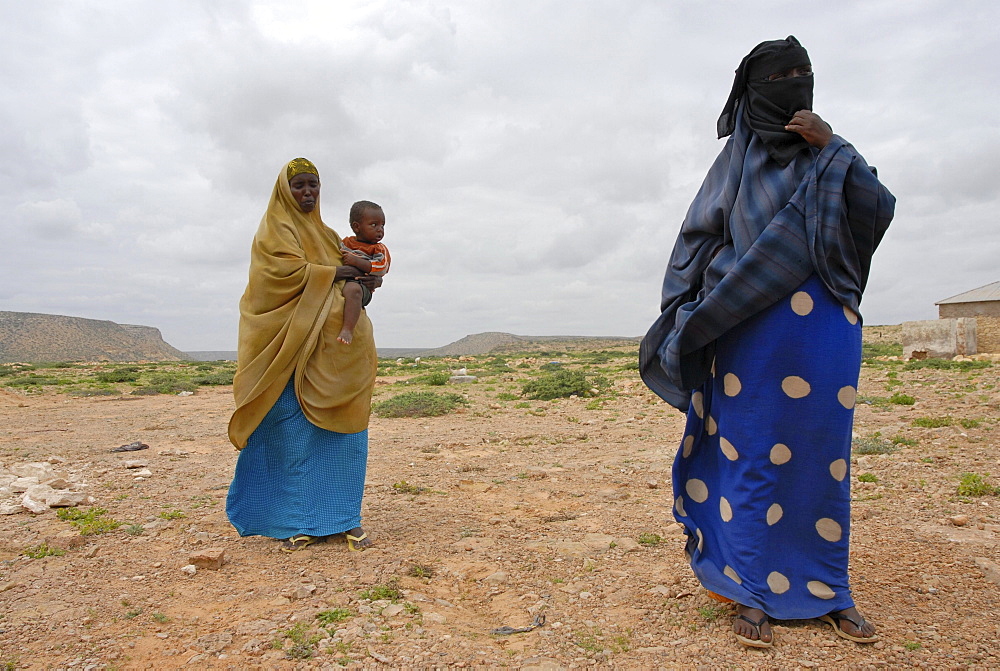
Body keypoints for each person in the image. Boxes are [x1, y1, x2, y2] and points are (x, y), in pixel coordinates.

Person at [639, 37, 895, 648]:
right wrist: (687, 313)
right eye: (777, 76)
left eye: (801, 74)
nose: (792, 84)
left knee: (821, 461)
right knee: (752, 455)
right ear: (752, 93)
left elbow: (876, 210)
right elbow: (696, 241)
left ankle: (830, 588)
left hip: (824, 331)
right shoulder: (736, 162)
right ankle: (751, 589)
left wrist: (832, 144)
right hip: (747, 329)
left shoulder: (830, 155)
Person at [226, 157, 381, 553]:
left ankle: (344, 519)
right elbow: (274, 280)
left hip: (334, 359)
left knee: (342, 438)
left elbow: (361, 275)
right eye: (299, 186)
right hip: (287, 354)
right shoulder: (273, 233)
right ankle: (294, 522)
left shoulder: (330, 236)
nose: (307, 192)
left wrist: (355, 277)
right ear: (285, 190)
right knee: (290, 435)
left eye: (313, 185)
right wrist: (331, 274)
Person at [337, 200, 390, 345]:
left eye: (382, 225)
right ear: (356, 227)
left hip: (362, 287)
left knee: (353, 290)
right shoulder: (346, 242)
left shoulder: (378, 248)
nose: (380, 229)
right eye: (374, 225)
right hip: (343, 282)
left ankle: (348, 329)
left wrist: (357, 262)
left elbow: (381, 267)